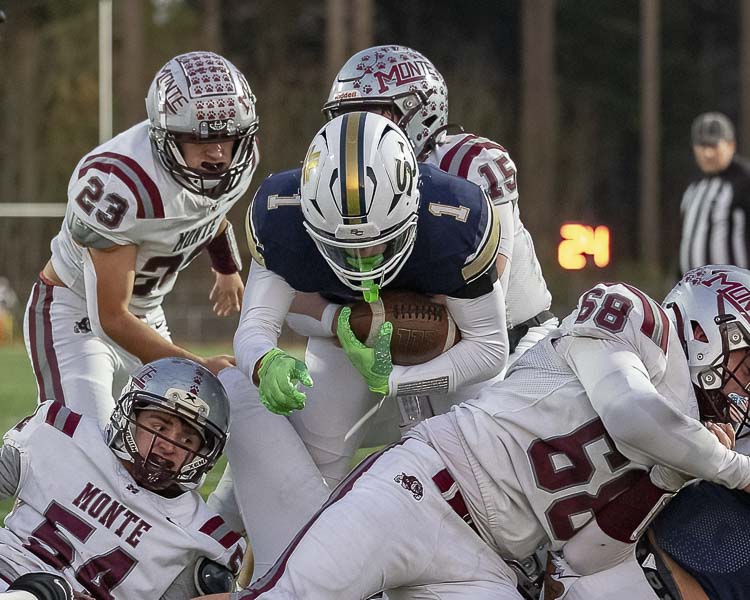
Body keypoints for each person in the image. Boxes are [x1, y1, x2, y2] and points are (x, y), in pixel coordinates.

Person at [197, 265, 750, 600]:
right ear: (707, 326)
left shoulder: (683, 438)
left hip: (484, 565)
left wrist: (664, 477)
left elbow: (583, 558)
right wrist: (734, 469)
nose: (744, 385)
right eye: (746, 362)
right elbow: (628, 409)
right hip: (422, 492)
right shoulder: (635, 315)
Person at [222, 110, 507, 578]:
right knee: (314, 468)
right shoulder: (280, 216)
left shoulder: (454, 219)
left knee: (482, 470)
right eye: (342, 247)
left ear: (411, 209)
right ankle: (277, 579)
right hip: (341, 344)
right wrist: (266, 362)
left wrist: (396, 380)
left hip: (446, 347)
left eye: (378, 243)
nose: (362, 259)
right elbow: (255, 327)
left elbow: (490, 349)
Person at [23, 51, 259, 426]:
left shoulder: (236, 162)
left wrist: (226, 267)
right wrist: (197, 366)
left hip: (146, 313)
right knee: (85, 443)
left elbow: (210, 211)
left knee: (168, 445)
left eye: (227, 138)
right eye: (201, 139)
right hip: (78, 310)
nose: (217, 155)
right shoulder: (122, 184)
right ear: (167, 136)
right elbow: (111, 316)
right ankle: (22, 458)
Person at [0, 357, 246, 600]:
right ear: (131, 415)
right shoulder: (63, 435)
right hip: (6, 572)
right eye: (160, 426)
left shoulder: (203, 539)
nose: (169, 445)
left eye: (187, 440)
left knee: (50, 592)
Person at [678, 112, 750, 277]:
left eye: (714, 146)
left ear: (731, 145)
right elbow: (688, 239)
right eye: (702, 146)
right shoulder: (694, 186)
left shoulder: (744, 181)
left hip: (736, 294)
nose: (708, 154)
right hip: (694, 293)